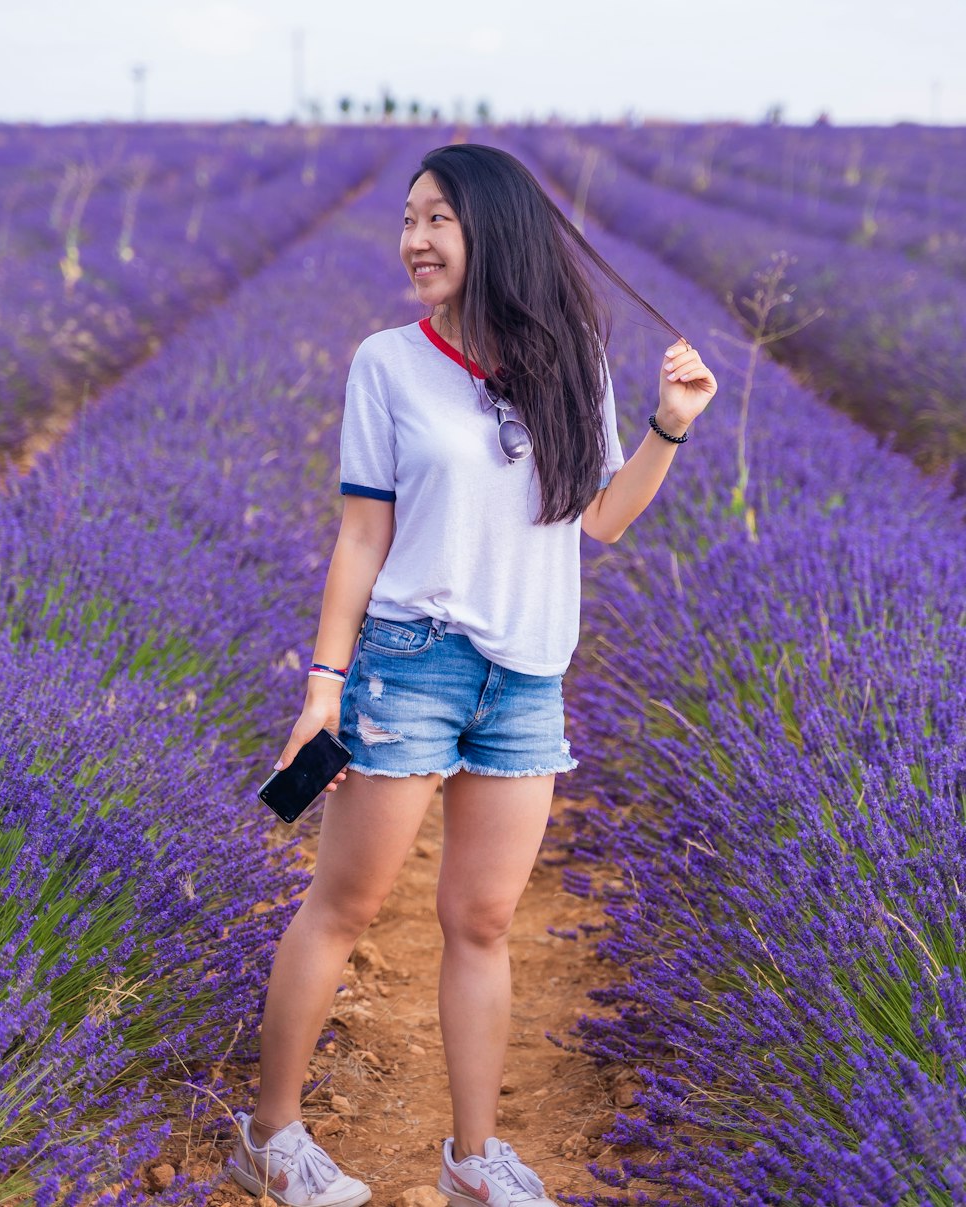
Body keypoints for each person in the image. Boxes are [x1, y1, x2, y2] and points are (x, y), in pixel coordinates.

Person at [229, 143, 717, 1207]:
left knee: (484, 922)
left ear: (493, 229)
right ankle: (269, 1133)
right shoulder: (385, 363)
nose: (413, 238)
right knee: (345, 907)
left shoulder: (571, 358)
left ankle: (473, 1157)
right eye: (407, 217)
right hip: (409, 663)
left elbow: (601, 520)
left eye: (437, 217)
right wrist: (325, 687)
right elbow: (360, 538)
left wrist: (667, 427)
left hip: (528, 673)